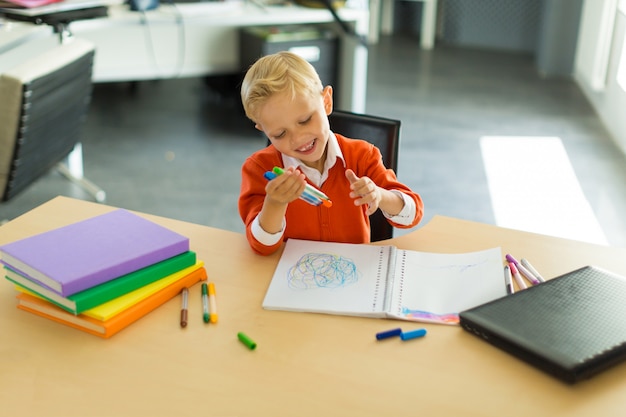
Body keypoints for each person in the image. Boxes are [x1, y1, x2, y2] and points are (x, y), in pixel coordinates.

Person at [238, 51, 424, 255]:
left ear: (326, 102)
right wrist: (275, 203)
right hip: (297, 276)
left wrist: (379, 195)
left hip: (353, 273)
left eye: (305, 120)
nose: (298, 138)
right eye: (280, 133)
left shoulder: (362, 156)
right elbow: (261, 246)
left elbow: (413, 213)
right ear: (264, 130)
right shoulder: (259, 168)